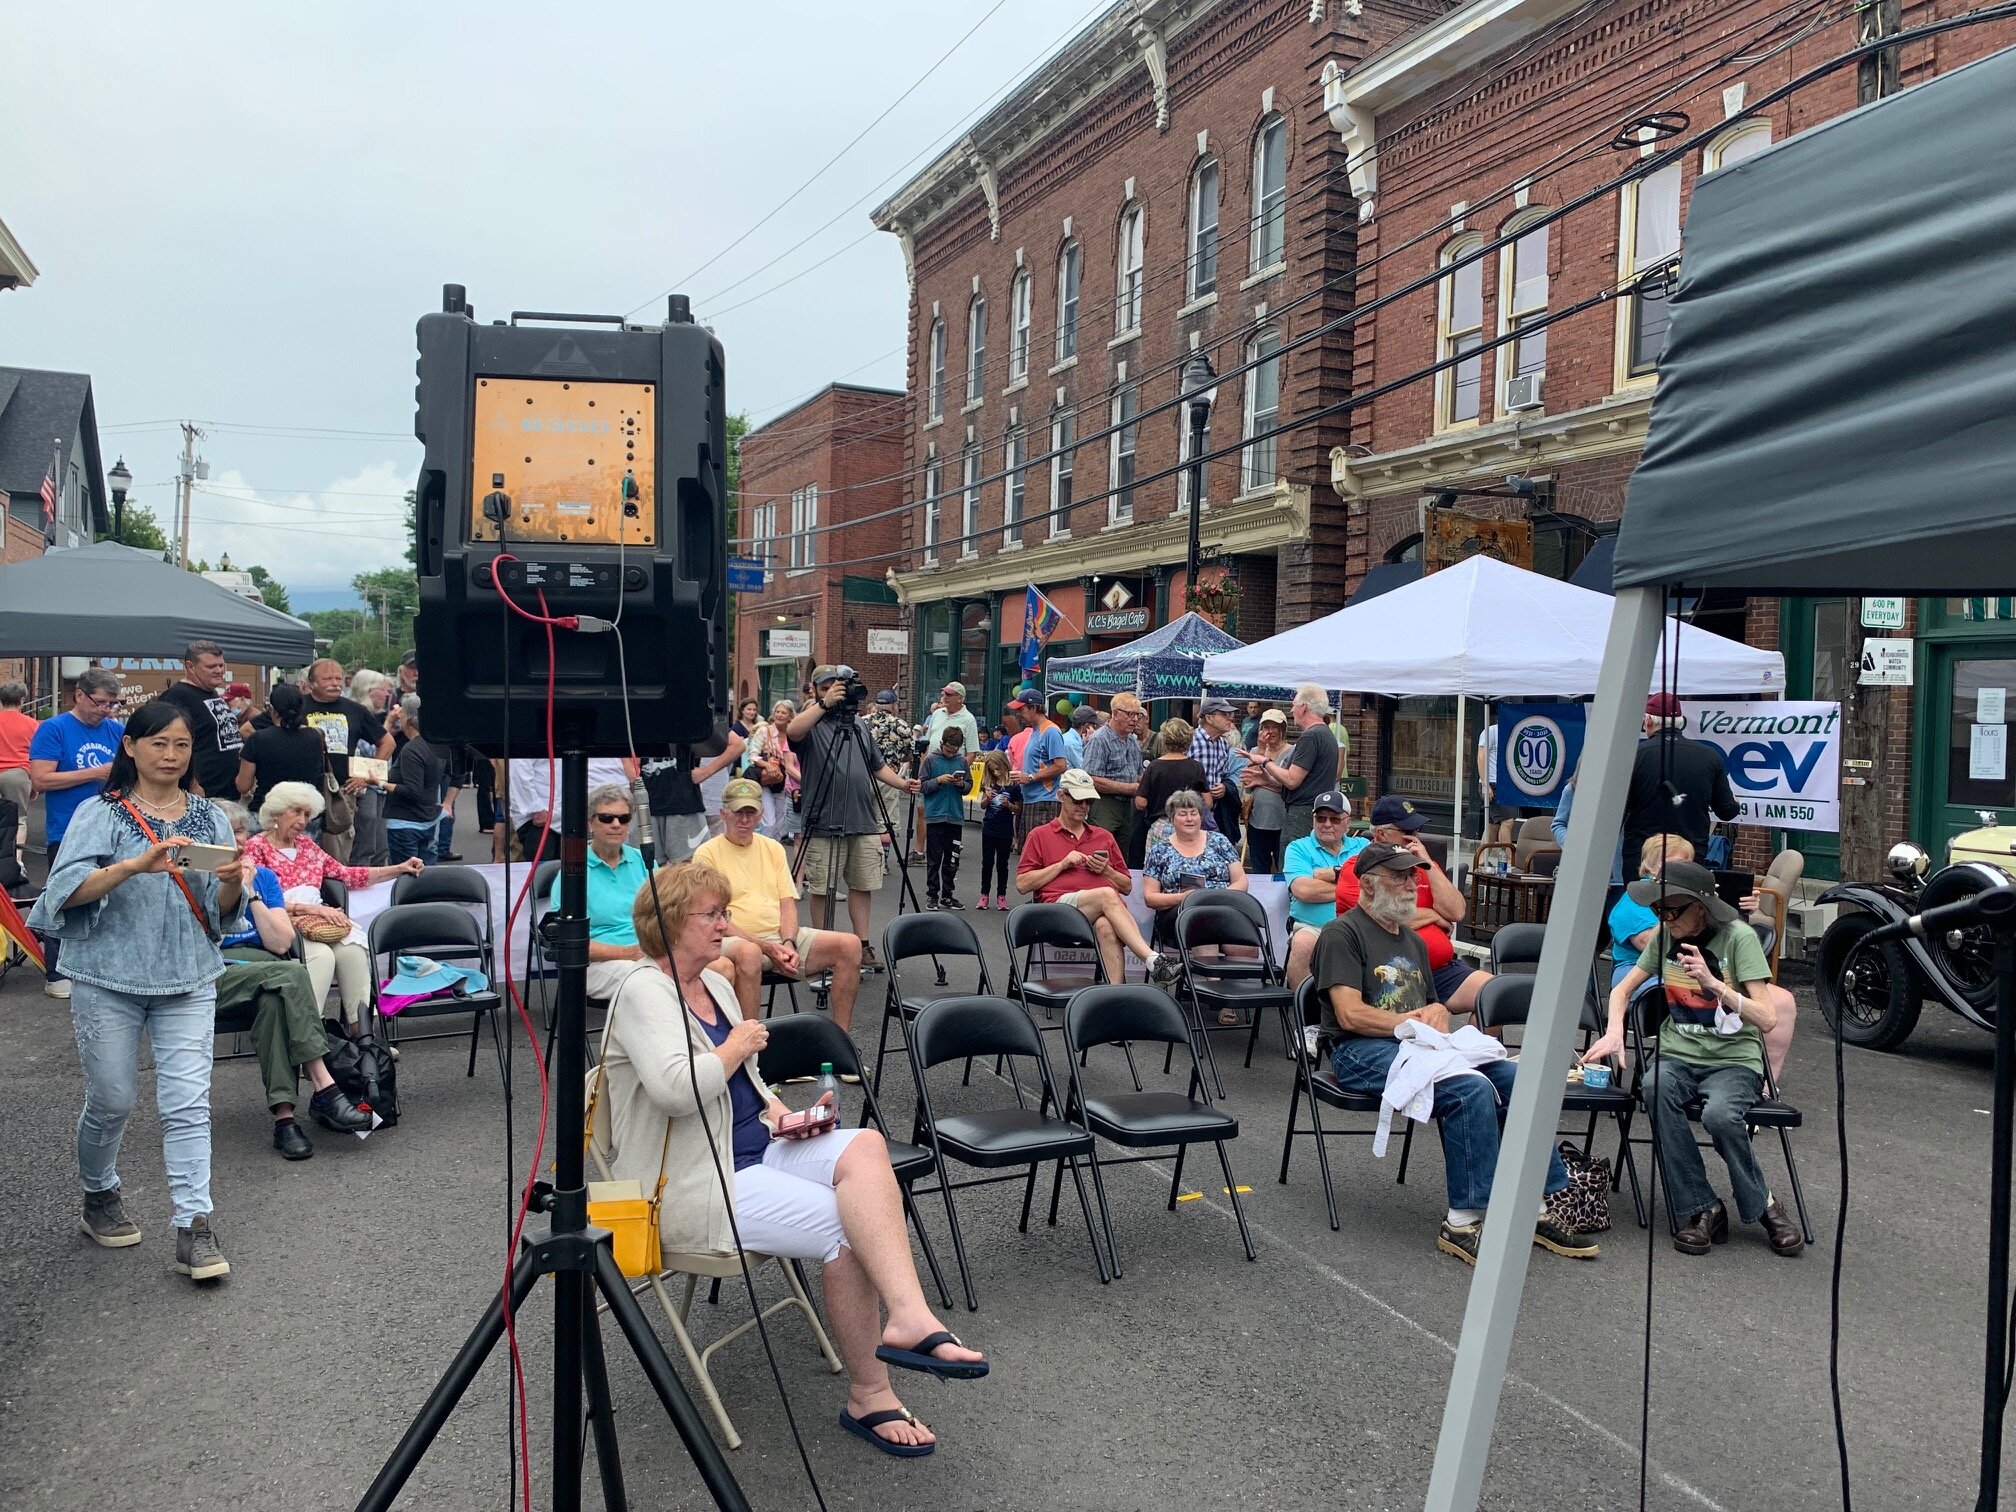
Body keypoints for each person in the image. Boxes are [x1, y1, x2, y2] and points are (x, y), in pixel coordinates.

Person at [599, 862, 986, 1456]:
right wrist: (736, 1044)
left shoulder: (718, 985)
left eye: (722, 912)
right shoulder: (640, 991)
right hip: (695, 1183)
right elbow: (677, 1090)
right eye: (713, 914)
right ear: (671, 922)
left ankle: (909, 1315)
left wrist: (783, 1114)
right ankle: (870, 1393)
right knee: (843, 1224)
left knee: (866, 1145)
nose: (725, 924)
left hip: (757, 1151)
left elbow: (749, 1082)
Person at [27, 699, 249, 1282]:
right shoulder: (98, 814)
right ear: (130, 746)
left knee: (187, 1106)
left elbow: (221, 913)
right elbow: (60, 896)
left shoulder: (211, 817)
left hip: (189, 975)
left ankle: (194, 1226)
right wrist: (133, 866)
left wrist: (231, 884)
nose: (171, 756)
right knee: (113, 1099)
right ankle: (99, 1192)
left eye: (181, 746)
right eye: (158, 744)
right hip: (108, 977)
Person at [1315, 841, 1597, 1266]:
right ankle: (1462, 1220)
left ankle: (1530, 1208)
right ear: (1369, 886)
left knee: (1517, 1079)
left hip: (1416, 1047)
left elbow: (1432, 1005)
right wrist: (1414, 1022)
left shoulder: (1410, 938)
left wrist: (1436, 1013)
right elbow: (1350, 1014)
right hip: (1358, 1050)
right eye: (1400, 877)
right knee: (1468, 1089)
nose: (1412, 884)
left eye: (1413, 875)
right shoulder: (1343, 934)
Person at [1586, 858, 1803, 1257]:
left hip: (1733, 1059)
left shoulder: (1739, 938)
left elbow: (1767, 1017)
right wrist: (1615, 1030)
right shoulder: (1665, 937)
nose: (1663, 918)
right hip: (1678, 1054)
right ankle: (1704, 1207)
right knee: (1653, 1088)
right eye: (1658, 910)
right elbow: (1620, 991)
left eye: (1672, 910)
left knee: (1719, 1115)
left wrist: (1714, 984)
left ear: (1700, 908)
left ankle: (1765, 1205)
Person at [212, 800, 373, 1160]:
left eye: (240, 831)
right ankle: (325, 1086)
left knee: (273, 1000)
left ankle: (285, 1121)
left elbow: (280, 942)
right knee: (292, 972)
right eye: (226, 833)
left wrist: (250, 892)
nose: (237, 840)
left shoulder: (263, 879)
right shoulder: (193, 877)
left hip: (265, 970)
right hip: (214, 970)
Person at [1609, 834, 1797, 1079]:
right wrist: (1688, 909)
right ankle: (1704, 1063)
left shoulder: (1699, 909)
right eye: (1672, 866)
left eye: (1687, 867)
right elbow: (1652, 943)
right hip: (1651, 974)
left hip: (1699, 969)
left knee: (1782, 1001)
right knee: (1695, 990)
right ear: (1651, 866)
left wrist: (1729, 906)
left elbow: (1726, 934)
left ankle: (1764, 1082)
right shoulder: (1636, 903)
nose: (1680, 873)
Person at [244, 781, 423, 1024]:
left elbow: (347, 874)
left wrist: (398, 868)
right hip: (281, 924)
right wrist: (311, 908)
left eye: (307, 814)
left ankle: (362, 1035)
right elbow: (254, 899)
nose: (303, 820)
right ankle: (309, 1034)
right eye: (296, 811)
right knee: (322, 957)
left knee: (354, 953)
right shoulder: (257, 847)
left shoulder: (307, 845)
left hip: (319, 921)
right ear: (276, 812)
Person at [699, 779, 865, 1031]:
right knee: (749, 953)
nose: (744, 820)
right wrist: (766, 946)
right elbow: (715, 919)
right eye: (738, 812)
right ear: (723, 814)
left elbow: (787, 904)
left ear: (760, 815)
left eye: (750, 812)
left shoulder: (773, 848)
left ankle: (842, 1043)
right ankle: (749, 1048)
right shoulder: (707, 853)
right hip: (734, 941)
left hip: (777, 938)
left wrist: (788, 942)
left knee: (850, 945)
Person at [788, 666, 920, 963]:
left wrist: (902, 783)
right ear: (815, 690)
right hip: (823, 820)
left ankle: (862, 945)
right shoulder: (812, 723)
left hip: (862, 819)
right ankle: (823, 946)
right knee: (822, 887)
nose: (835, 693)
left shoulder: (858, 724)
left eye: (838, 688)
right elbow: (792, 732)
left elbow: (876, 764)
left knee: (862, 885)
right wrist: (824, 704)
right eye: (826, 688)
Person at [1015, 768, 1178, 987]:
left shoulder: (1103, 836)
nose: (1083, 806)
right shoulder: (1040, 835)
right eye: (1078, 800)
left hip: (1096, 912)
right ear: (1061, 796)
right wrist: (1061, 865)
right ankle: (1153, 960)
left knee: (1106, 927)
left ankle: (1115, 997)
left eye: (1089, 801)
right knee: (1106, 894)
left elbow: (1128, 886)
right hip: (1056, 912)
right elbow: (1022, 884)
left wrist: (1106, 871)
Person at [1333, 795, 1490, 1017]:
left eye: (1417, 831)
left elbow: (1457, 912)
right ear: (1381, 834)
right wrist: (1435, 916)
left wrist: (1428, 864)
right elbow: (1385, 918)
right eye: (1408, 833)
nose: (1416, 837)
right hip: (1389, 973)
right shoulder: (1360, 870)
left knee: (1492, 996)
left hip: (1440, 970)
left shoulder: (1421, 863)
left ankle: (1474, 1051)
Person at [29, 669, 127, 999]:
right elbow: (41, 780)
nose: (106, 710)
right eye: (100, 703)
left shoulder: (116, 730)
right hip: (67, 828)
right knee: (66, 898)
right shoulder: (53, 728)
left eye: (113, 704)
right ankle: (56, 972)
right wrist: (95, 773)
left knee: (116, 899)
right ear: (80, 696)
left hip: (113, 826)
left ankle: (105, 967)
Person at [553, 781, 655, 1000]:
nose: (616, 824)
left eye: (624, 818)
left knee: (719, 970)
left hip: (649, 955)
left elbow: (667, 915)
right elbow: (563, 939)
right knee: (651, 979)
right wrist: (628, 953)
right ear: (590, 823)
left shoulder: (643, 861)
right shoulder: (573, 871)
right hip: (597, 963)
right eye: (607, 818)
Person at [1141, 791, 1245, 1004]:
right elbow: (1150, 897)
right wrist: (1185, 898)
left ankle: (1235, 995)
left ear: (1201, 816)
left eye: (1194, 813)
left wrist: (1218, 897)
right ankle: (1218, 997)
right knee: (1201, 922)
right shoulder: (1160, 850)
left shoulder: (1219, 841)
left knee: (1243, 943)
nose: (1189, 818)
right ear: (1172, 818)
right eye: (1182, 814)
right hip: (1178, 914)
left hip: (1222, 907)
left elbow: (1241, 881)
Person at [1624, 692, 1739, 867]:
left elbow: (1616, 811)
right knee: (1684, 895)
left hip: (1643, 857)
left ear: (1648, 721)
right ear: (1681, 722)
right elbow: (1727, 811)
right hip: (1690, 856)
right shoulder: (1709, 756)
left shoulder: (1634, 756)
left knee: (1640, 895)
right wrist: (1735, 802)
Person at [1283, 791, 1366, 990]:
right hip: (1312, 927)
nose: (1327, 824)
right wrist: (1352, 883)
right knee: (1303, 943)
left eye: (1335, 818)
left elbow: (1378, 886)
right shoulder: (1298, 848)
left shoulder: (1364, 846)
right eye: (1321, 818)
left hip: (1361, 927)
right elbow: (1303, 890)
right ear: (1313, 820)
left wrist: (1328, 874)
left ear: (1348, 821)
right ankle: (1304, 1014)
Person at [1247, 685, 1340, 847]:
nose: (1291, 711)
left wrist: (1263, 761)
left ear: (1303, 707)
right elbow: (1306, 783)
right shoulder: (1327, 735)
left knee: (1292, 867)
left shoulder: (1310, 736)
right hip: (1315, 812)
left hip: (1301, 816)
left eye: (1293, 705)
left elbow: (1292, 780)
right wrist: (1266, 780)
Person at [500, 754, 636, 863]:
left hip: (561, 816)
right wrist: (535, 808)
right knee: (544, 873)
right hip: (539, 819)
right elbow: (519, 770)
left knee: (566, 870)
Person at [640, 730, 747, 866]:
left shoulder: (690, 716)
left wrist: (705, 772)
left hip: (683, 804)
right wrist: (630, 768)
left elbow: (737, 745)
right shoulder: (644, 714)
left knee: (689, 868)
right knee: (646, 868)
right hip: (646, 804)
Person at [157, 640, 244, 799]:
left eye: (221, 665)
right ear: (190, 667)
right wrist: (193, 784)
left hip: (228, 791)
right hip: (204, 794)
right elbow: (170, 745)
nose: (219, 671)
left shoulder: (210, 693)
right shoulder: (177, 697)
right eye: (211, 667)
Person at [235, 683, 331, 815]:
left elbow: (243, 785)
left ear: (272, 710)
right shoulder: (315, 737)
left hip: (267, 811)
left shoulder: (259, 739)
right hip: (305, 812)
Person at [1130, 718, 1208, 868]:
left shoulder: (1154, 767)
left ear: (1164, 739)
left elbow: (1140, 802)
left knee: (1156, 869)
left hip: (1160, 825)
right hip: (1189, 824)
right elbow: (1208, 802)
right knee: (1188, 867)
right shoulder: (1196, 767)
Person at [381, 695, 447, 864]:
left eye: (402, 714)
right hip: (428, 820)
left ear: (409, 720)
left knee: (406, 878)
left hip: (405, 822)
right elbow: (457, 774)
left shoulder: (412, 750)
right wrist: (448, 801)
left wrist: (380, 783)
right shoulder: (438, 745)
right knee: (426, 875)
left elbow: (413, 791)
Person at [1081, 692, 1146, 857]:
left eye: (1137, 715)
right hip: (1105, 804)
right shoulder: (1099, 740)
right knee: (1101, 852)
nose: (1135, 719)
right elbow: (1091, 779)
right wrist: (1129, 788)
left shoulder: (1132, 741)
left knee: (1122, 856)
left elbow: (1137, 773)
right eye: (1130, 714)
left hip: (1128, 806)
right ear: (1115, 713)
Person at [919, 725, 970, 910]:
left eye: (954, 750)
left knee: (952, 858)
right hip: (935, 816)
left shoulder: (962, 761)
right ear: (942, 744)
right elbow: (922, 785)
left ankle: (948, 895)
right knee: (934, 858)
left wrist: (961, 783)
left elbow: (969, 786)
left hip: (955, 816)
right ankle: (932, 895)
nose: (951, 753)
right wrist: (938, 781)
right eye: (948, 749)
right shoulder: (931, 760)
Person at [1007, 698, 1068, 846]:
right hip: (1033, 800)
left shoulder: (1051, 731)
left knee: (1040, 852)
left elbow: (1061, 766)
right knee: (1029, 852)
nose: (1018, 714)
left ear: (1034, 708)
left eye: (1022, 710)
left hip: (1044, 803)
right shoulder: (1036, 731)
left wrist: (1029, 777)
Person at [1240, 708, 1291, 874]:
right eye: (1265, 727)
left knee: (1283, 866)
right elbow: (1249, 783)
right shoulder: (1255, 752)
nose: (1269, 732)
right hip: (1257, 819)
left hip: (1282, 820)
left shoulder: (1292, 752)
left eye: (1274, 727)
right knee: (1259, 869)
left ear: (1282, 729)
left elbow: (1290, 785)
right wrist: (1261, 751)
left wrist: (1265, 782)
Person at [744, 700, 802, 840]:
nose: (780, 715)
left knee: (782, 823)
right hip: (767, 780)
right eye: (777, 712)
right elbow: (752, 755)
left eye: (783, 712)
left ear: (790, 716)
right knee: (769, 822)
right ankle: (766, 848)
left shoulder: (794, 733)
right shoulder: (765, 731)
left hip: (786, 782)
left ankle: (774, 850)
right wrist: (767, 765)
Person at [1190, 697, 1244, 846]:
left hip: (1216, 814)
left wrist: (1224, 787)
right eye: (1225, 715)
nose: (1230, 719)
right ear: (1209, 718)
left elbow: (1224, 775)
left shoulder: (1222, 743)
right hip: (1191, 812)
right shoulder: (1191, 740)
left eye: (1231, 715)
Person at [973, 750, 1019, 912]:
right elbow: (983, 806)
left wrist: (1008, 805)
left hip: (1004, 830)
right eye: (992, 770)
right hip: (989, 828)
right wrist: (987, 797)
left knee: (1002, 864)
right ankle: (984, 894)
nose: (995, 772)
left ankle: (1001, 895)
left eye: (997, 769)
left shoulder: (1014, 786)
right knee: (987, 863)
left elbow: (1018, 809)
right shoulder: (989, 784)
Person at [0, 680, 37, 867]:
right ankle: (16, 862)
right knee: (19, 818)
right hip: (18, 773)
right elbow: (37, 755)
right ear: (22, 700)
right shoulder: (32, 725)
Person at [924, 681, 981, 761]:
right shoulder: (937, 714)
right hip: (931, 770)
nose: (945, 697)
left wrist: (958, 770)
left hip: (952, 770)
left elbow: (971, 754)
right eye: (944, 694)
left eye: (949, 694)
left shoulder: (969, 719)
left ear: (960, 699)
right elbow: (927, 744)